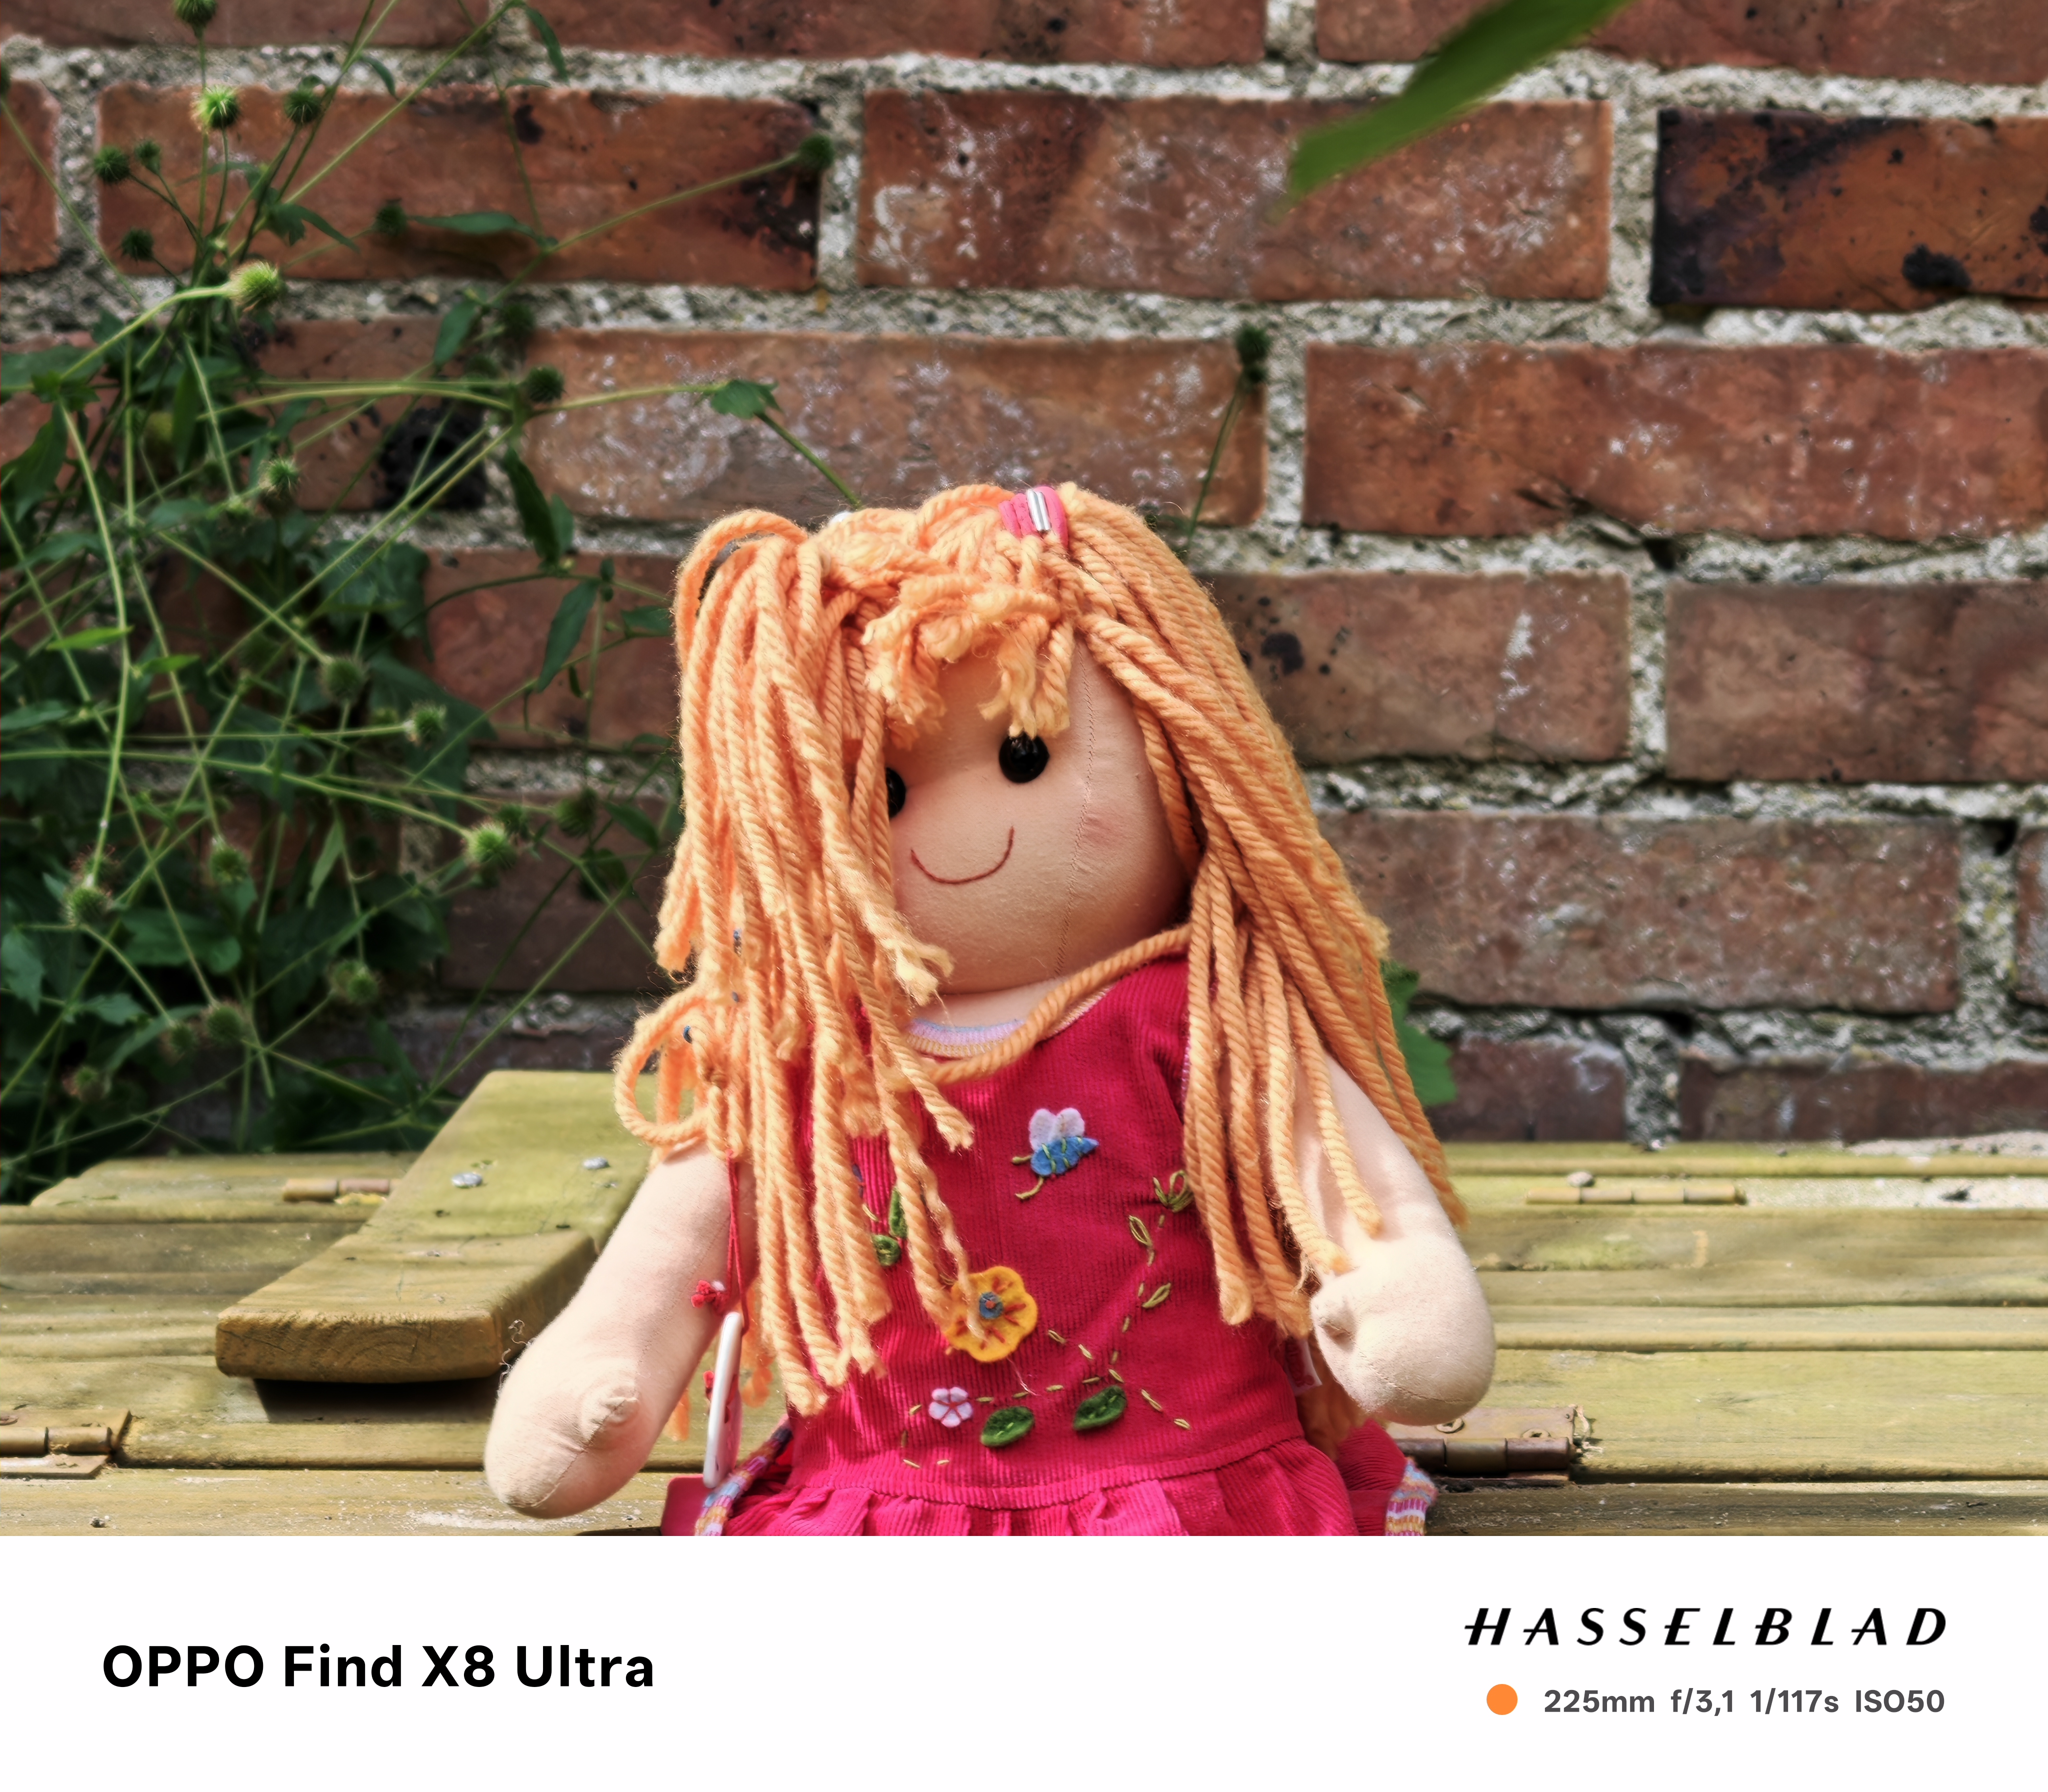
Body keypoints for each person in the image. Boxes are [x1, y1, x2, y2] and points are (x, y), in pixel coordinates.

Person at [484, 483, 1494, 1534]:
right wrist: (604, 1365)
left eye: (1024, 758)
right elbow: (672, 1255)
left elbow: (1347, 1190)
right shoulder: (801, 1061)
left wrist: (1393, 1291)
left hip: (1187, 1495)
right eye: (883, 792)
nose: (959, 835)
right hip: (880, 1510)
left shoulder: (1202, 1019)